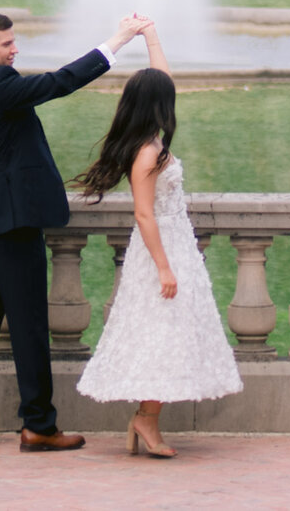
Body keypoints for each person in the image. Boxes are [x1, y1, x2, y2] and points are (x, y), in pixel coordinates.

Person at [0, 6, 150, 453]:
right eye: (7, 44)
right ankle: (38, 425)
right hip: (14, 224)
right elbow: (61, 82)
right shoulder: (1, 86)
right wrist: (117, 41)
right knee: (29, 324)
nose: (16, 50)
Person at [73, 23, 241, 458]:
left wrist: (150, 37)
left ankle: (147, 418)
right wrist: (165, 266)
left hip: (174, 242)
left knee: (170, 332)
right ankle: (146, 419)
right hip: (160, 248)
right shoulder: (148, 153)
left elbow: (160, 78)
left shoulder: (150, 140)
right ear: (157, 106)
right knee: (162, 331)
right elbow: (144, 213)